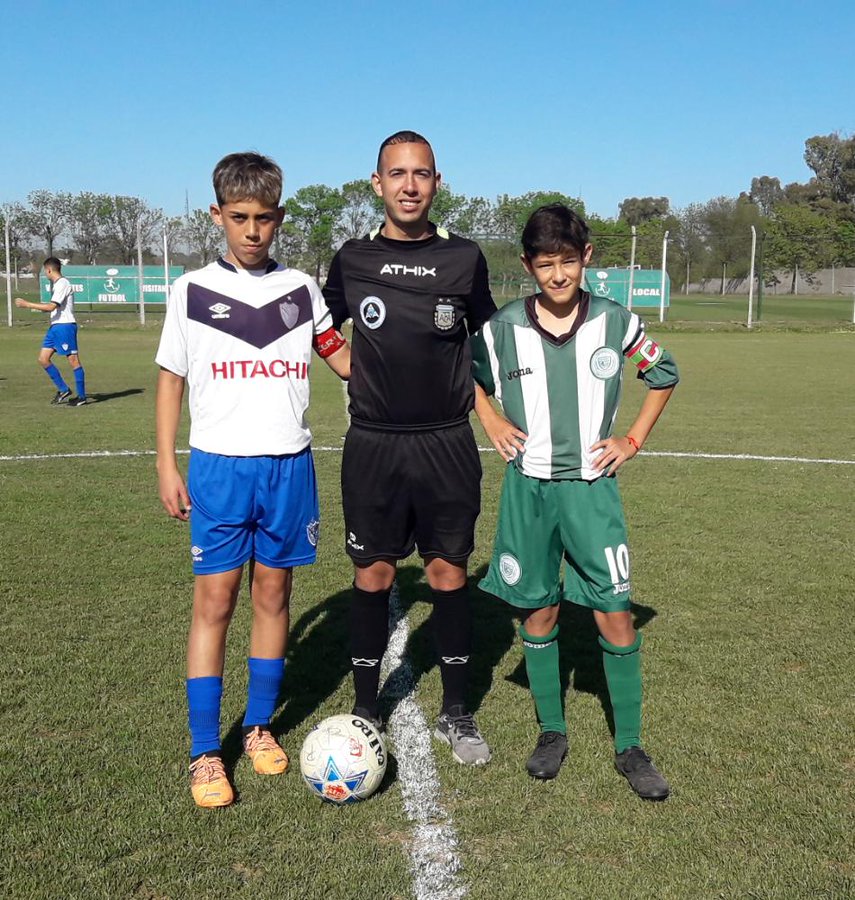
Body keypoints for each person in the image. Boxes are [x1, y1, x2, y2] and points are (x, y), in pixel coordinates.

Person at [155, 151, 351, 808]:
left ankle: (259, 727)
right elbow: (171, 380)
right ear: (217, 215)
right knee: (214, 603)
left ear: (280, 217)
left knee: (273, 595)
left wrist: (411, 356)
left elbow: (342, 359)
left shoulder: (302, 290)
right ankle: (205, 751)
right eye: (239, 217)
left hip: (288, 466)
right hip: (219, 467)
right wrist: (166, 463)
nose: (252, 230)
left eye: (263, 218)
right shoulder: (190, 291)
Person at [471, 203, 678, 799]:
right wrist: (491, 419)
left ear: (586, 257)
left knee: (615, 612)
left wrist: (632, 439)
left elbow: (663, 374)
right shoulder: (502, 327)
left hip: (592, 491)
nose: (558, 275)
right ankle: (551, 731)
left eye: (567, 261)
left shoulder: (615, 320)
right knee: (539, 611)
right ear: (528, 265)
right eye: (545, 264)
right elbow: (470, 378)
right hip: (529, 490)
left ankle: (630, 745)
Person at [323, 131, 496, 766]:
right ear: (377, 183)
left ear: (437, 182)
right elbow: (318, 320)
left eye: (421, 173)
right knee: (373, 572)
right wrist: (345, 364)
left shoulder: (464, 257)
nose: (409, 185)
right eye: (396, 174)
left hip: (446, 441)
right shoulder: (352, 258)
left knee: (448, 571)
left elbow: (487, 339)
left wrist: (488, 408)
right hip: (374, 443)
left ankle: (456, 710)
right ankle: (367, 707)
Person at [15, 258, 91, 406]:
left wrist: (26, 304)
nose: (45, 273)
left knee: (73, 360)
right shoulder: (57, 284)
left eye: (45, 271)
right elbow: (52, 308)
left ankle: (82, 397)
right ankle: (63, 390)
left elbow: (51, 307)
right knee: (43, 359)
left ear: (49, 270)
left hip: (65, 326)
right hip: (55, 327)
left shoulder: (63, 283)